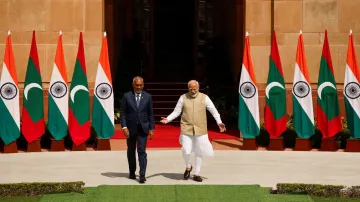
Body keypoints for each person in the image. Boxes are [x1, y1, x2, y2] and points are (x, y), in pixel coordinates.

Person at [160, 80, 226, 182]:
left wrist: (219, 122)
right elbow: (177, 111)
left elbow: (213, 110)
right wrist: (168, 119)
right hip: (186, 127)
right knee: (186, 149)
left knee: (199, 151)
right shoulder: (183, 97)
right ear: (188, 88)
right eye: (191, 89)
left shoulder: (204, 97)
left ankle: (196, 173)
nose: (193, 91)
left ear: (198, 88)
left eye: (195, 89)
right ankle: (188, 166)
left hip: (200, 128)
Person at [120, 76, 155, 183]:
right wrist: (124, 127)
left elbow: (150, 114)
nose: (139, 87)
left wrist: (151, 128)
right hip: (130, 129)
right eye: (137, 85)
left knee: (141, 151)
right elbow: (123, 113)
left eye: (141, 85)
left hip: (143, 129)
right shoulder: (127, 96)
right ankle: (131, 172)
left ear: (143, 85)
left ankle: (142, 174)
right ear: (133, 85)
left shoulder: (148, 97)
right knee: (131, 151)